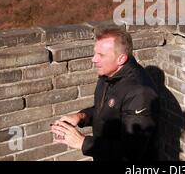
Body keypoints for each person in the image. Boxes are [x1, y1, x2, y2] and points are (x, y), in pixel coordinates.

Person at [51, 28, 160, 161]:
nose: (93, 59)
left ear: (121, 59)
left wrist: (82, 142)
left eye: (101, 55)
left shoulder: (140, 93)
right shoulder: (109, 74)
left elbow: (131, 152)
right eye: (95, 53)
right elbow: (106, 110)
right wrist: (81, 116)